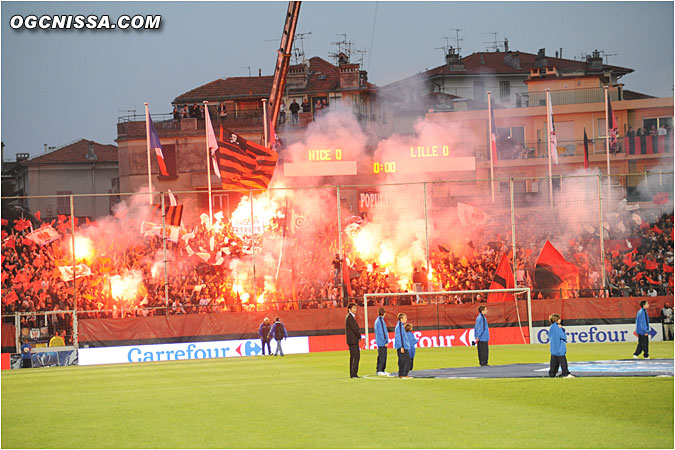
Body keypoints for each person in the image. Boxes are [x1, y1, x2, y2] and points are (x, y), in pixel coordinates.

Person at [548, 314, 574, 378]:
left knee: (554, 362)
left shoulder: (551, 327)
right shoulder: (558, 328)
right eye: (559, 319)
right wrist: (562, 329)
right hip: (559, 348)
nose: (560, 320)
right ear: (556, 320)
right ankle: (565, 373)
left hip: (553, 348)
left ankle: (552, 374)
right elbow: (563, 336)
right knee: (563, 362)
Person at [345, 303, 361, 378]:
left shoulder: (349, 317)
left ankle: (352, 373)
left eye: (355, 308)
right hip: (353, 341)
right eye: (354, 308)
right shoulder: (350, 317)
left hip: (352, 340)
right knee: (356, 356)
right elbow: (355, 329)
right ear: (349, 309)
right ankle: (354, 373)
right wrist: (359, 336)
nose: (355, 310)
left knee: (353, 357)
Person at [394, 313, 412, 379]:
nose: (406, 319)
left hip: (401, 346)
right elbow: (400, 337)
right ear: (401, 319)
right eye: (405, 318)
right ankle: (404, 374)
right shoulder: (400, 326)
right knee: (407, 360)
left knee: (401, 361)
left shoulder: (399, 326)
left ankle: (401, 374)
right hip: (402, 346)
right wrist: (402, 346)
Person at [374, 307, 389, 375]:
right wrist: (385, 341)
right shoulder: (380, 321)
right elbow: (382, 332)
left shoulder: (379, 320)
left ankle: (382, 369)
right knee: (382, 356)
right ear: (384, 313)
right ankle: (380, 370)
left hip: (380, 341)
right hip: (382, 342)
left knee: (382, 355)